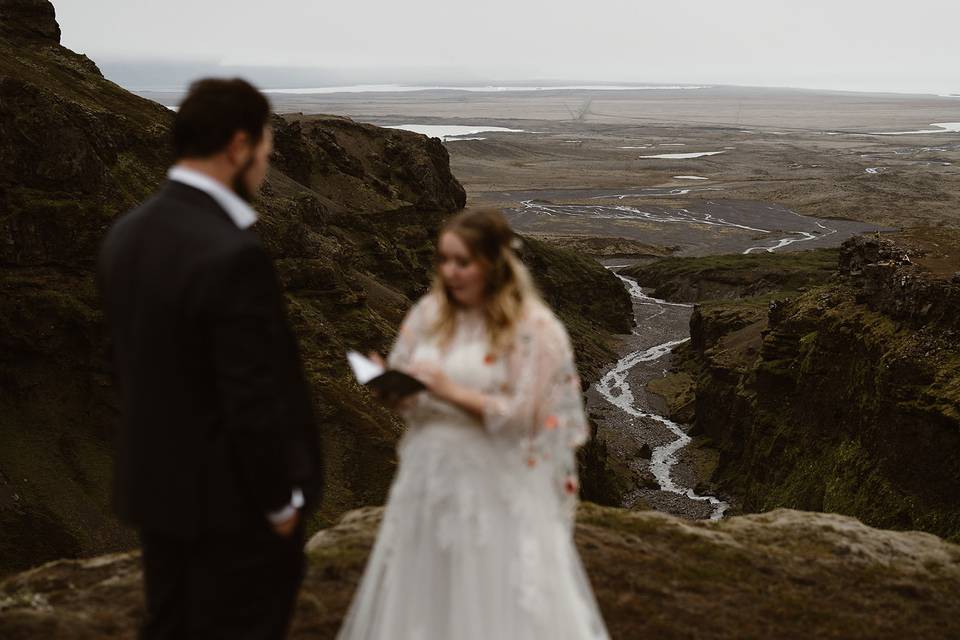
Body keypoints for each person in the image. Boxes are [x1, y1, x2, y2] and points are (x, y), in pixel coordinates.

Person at [97, 78, 322, 640]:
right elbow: (249, 395)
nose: (268, 162)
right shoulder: (231, 254)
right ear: (238, 145)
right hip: (234, 511)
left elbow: (130, 366)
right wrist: (279, 505)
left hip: (157, 497)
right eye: (266, 146)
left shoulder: (125, 234)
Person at [337, 208, 610, 639]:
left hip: (493, 479)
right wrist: (392, 390)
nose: (450, 272)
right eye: (443, 260)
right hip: (429, 474)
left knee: (493, 593)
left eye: (462, 262)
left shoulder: (534, 329)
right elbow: (412, 392)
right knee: (425, 593)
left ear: (493, 264)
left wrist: (448, 390)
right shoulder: (429, 315)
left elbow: (527, 415)